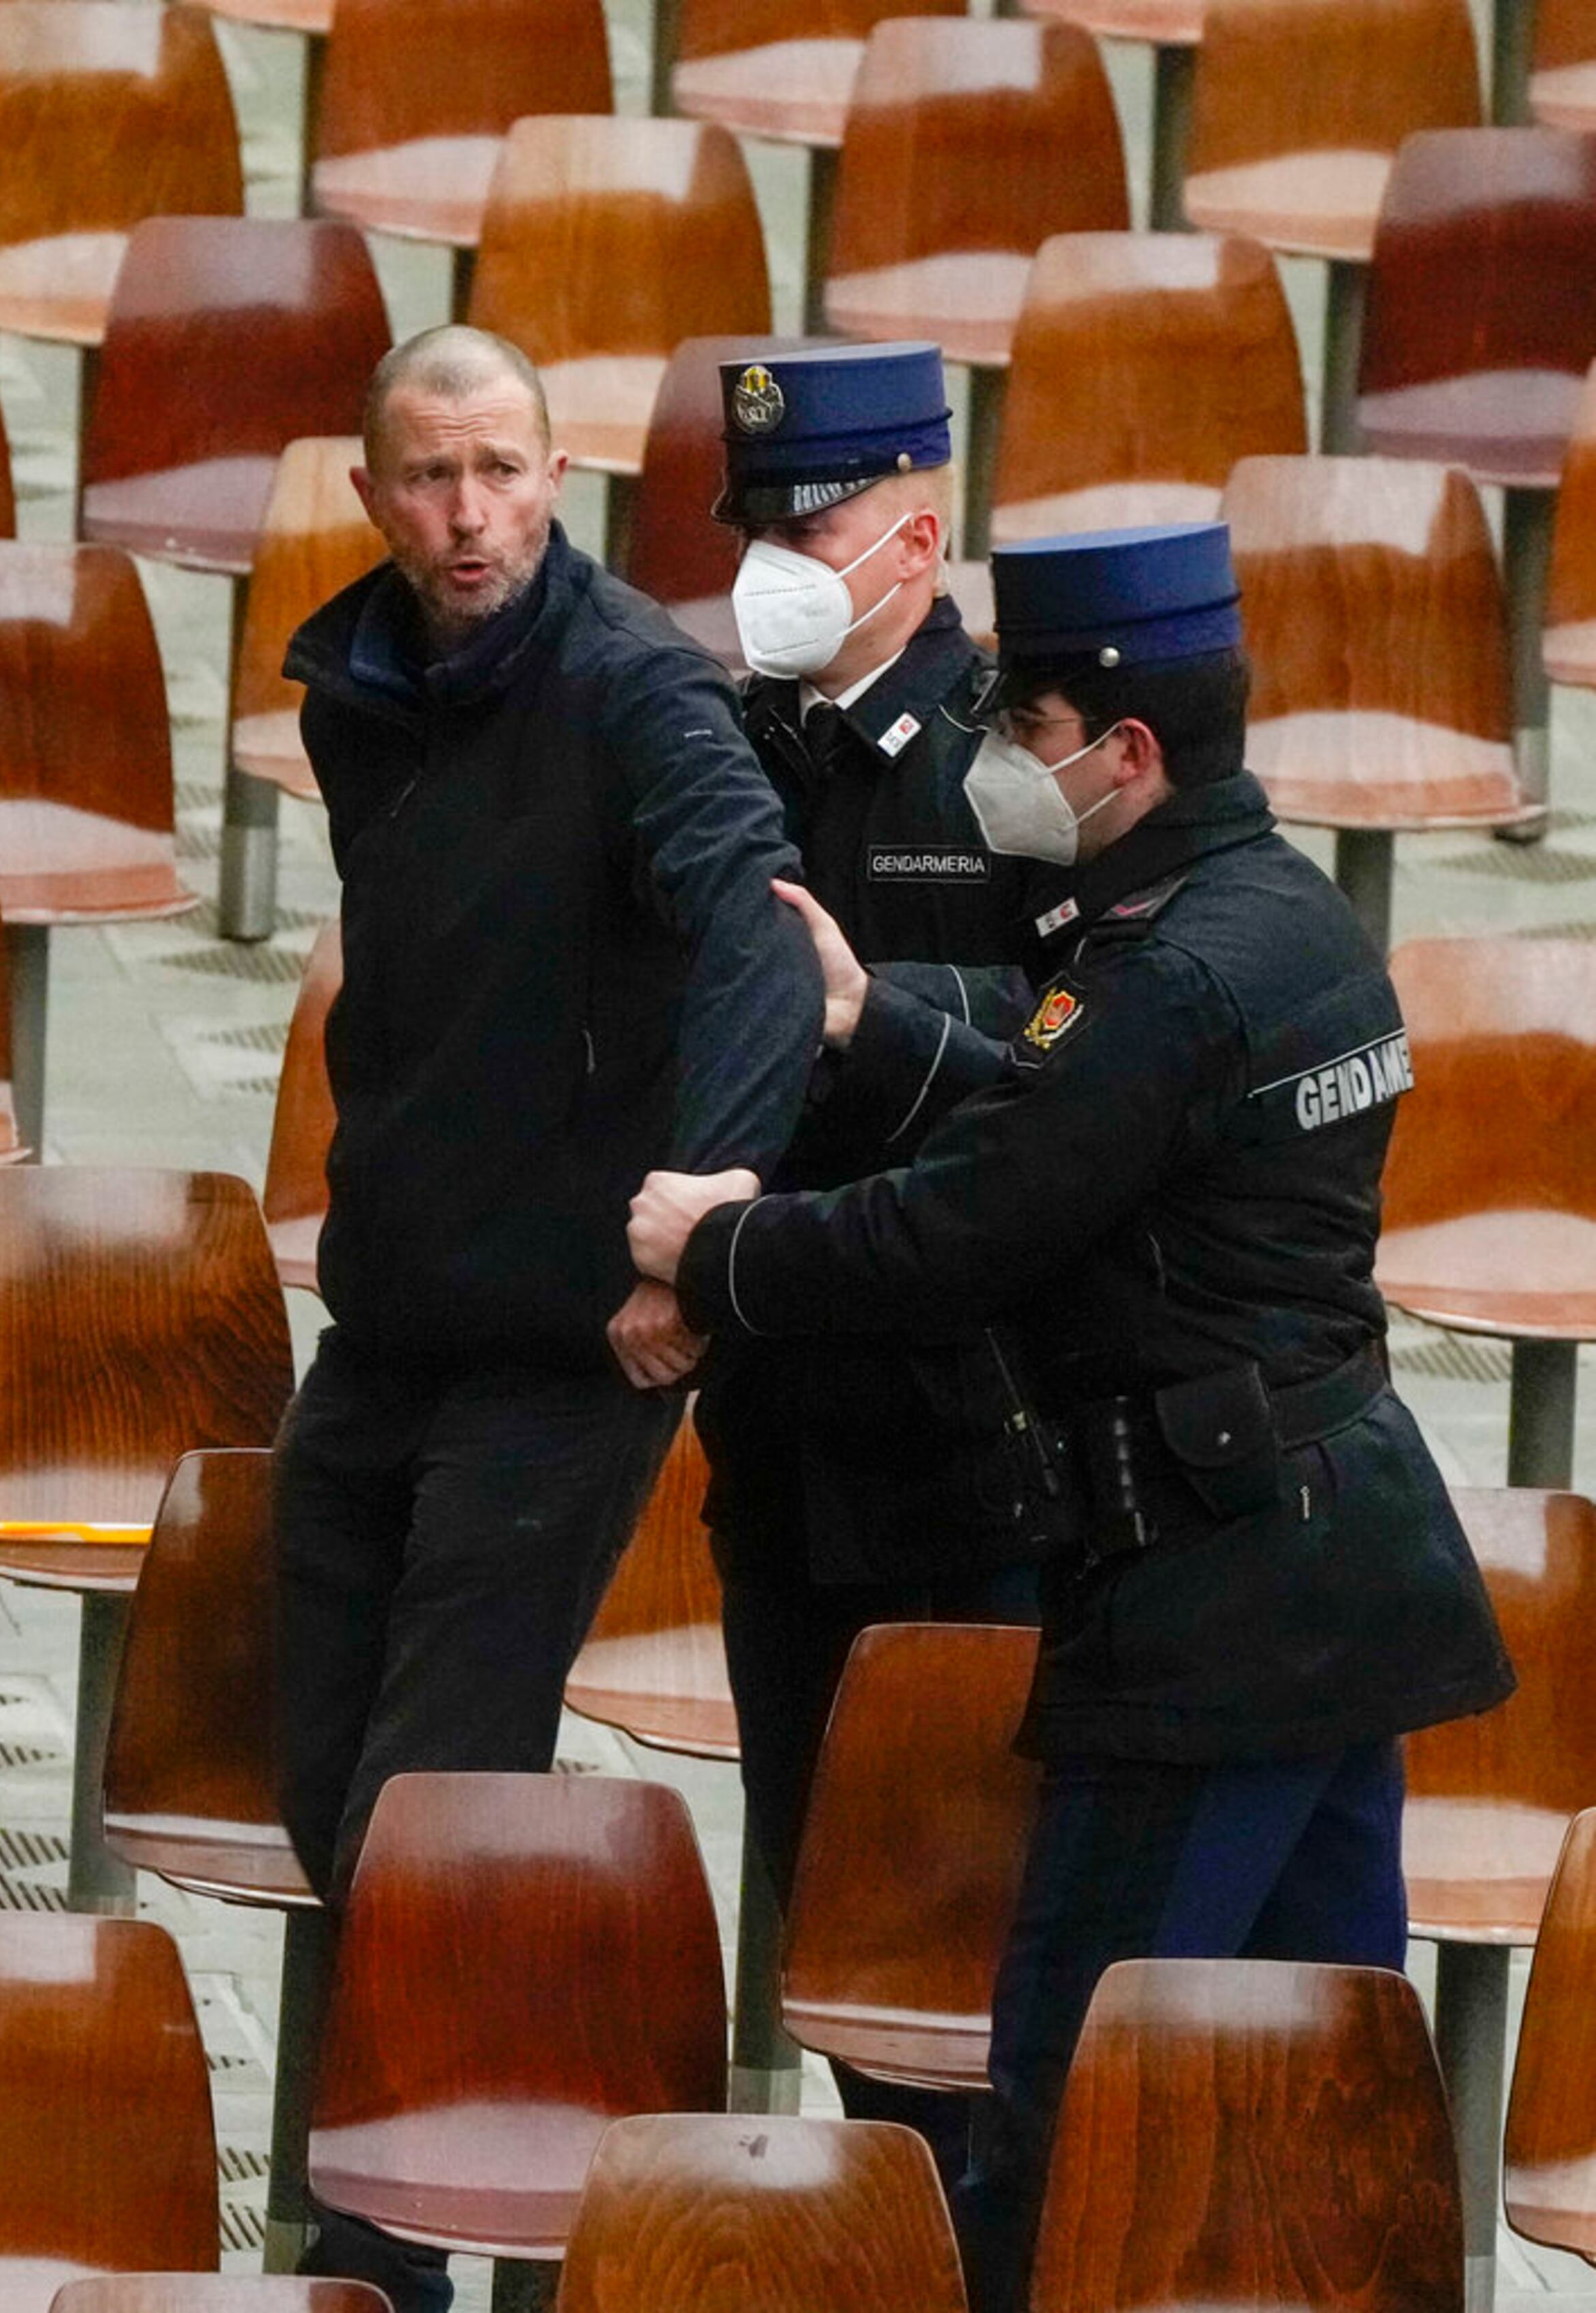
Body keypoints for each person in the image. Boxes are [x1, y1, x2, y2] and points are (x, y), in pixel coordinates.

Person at [627, 522, 1515, 2313]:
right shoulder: (1280, 917)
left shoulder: (1169, 973)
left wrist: (720, 1255)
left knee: (1074, 2098)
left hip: (1206, 1612)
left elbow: (963, 1226)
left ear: (1124, 754)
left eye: (1022, 726)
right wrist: (879, 1011)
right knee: (1322, 2083)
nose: (996, 763)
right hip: (1343, 1571)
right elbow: (1063, 1064)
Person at [273, 324, 823, 2308]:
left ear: (558, 475)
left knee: (433, 1789)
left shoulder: (635, 693)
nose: (468, 512)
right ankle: (413, 2156)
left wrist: (699, 1236)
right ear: (372, 496)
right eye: (428, 477)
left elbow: (762, 949)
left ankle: (389, 2250)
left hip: (565, 1353)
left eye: (500, 469)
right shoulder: (362, 693)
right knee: (320, 1756)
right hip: (396, 1319)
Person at [690, 342, 1040, 2166]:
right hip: (782, 1442)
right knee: (833, 1937)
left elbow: (1108, 1065)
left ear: (917, 530)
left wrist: (874, 1016)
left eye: (808, 518)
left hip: (978, 1454)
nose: (772, 552)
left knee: (978, 1972)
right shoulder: (719, 743)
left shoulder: (1029, 764)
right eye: (751, 518)